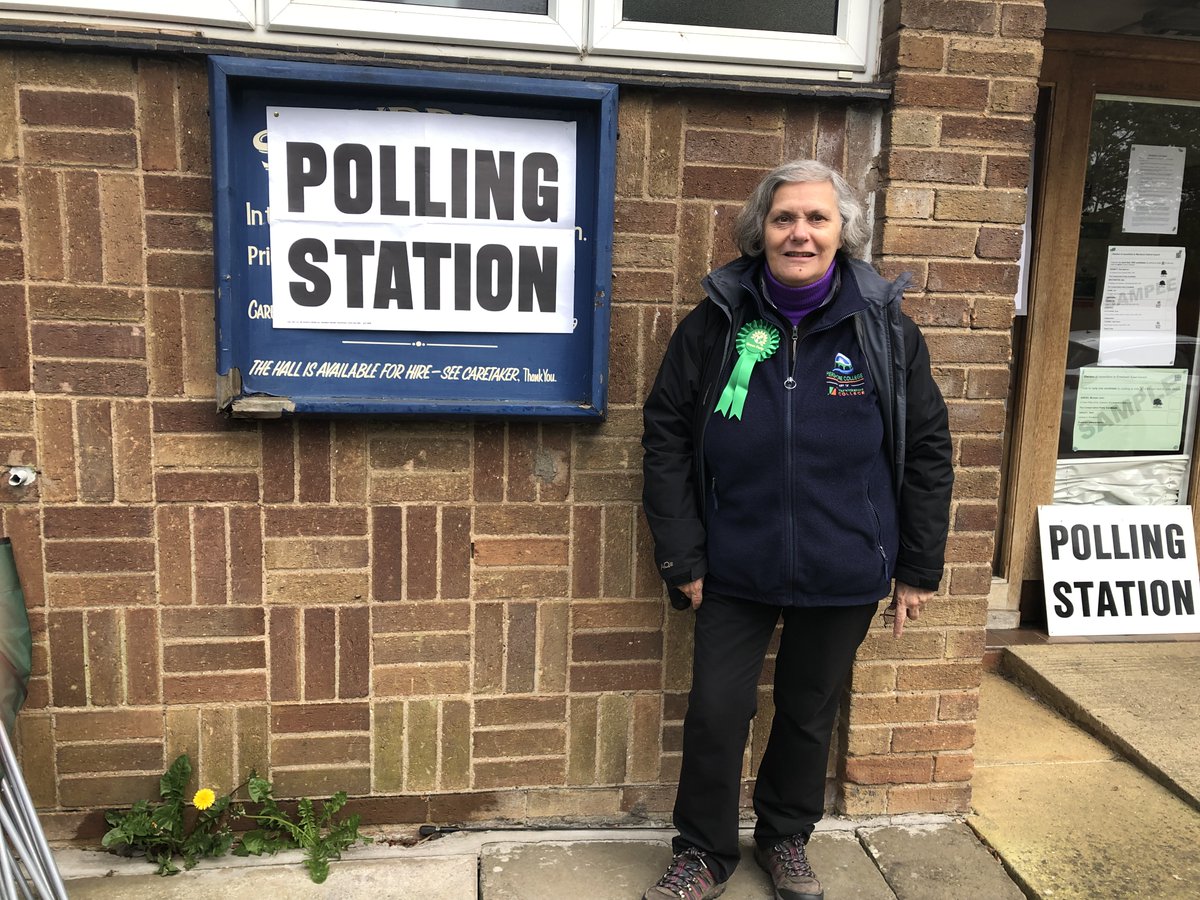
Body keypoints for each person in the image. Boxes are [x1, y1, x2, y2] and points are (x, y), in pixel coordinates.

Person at [640, 159, 953, 900]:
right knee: (718, 710)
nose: (800, 233)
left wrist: (917, 565)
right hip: (731, 562)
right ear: (761, 230)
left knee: (808, 713)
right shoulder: (717, 319)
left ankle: (786, 839)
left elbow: (929, 448)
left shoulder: (883, 329)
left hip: (845, 562)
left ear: (844, 234)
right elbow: (666, 437)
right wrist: (681, 552)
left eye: (817, 219)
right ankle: (703, 853)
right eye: (785, 218)